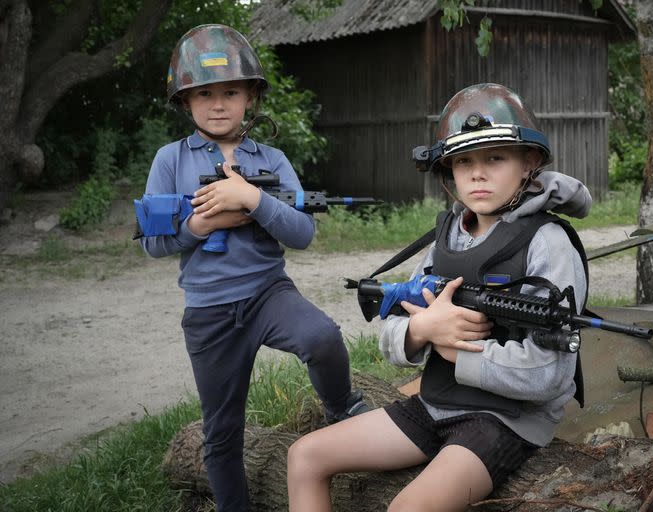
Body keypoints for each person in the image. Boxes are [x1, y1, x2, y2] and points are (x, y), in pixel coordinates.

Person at [286, 83, 592, 511]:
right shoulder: (447, 238)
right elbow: (391, 336)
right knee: (305, 456)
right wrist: (421, 328)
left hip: (505, 420)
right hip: (435, 404)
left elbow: (549, 377)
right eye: (463, 161)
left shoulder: (548, 243)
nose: (477, 174)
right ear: (449, 172)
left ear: (530, 162)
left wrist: (456, 352)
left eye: (495, 158)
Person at [139, 24, 368, 512]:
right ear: (184, 102)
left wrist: (252, 199)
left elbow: (302, 233)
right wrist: (198, 227)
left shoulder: (272, 158)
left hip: (268, 292)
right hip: (209, 311)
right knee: (221, 434)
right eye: (203, 93)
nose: (217, 103)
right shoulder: (169, 159)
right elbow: (153, 244)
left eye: (230, 91)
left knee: (322, 336)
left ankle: (340, 407)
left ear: (250, 98)